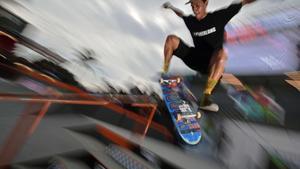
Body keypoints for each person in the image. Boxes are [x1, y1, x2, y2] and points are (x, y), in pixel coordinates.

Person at [162, 0, 256, 112]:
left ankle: (206, 98)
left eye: (198, 5)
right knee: (171, 39)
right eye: (192, 6)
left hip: (212, 64)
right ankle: (165, 72)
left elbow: (242, 2)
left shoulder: (218, 17)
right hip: (195, 58)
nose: (195, 9)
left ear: (206, 4)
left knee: (222, 54)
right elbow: (181, 14)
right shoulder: (191, 21)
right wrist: (171, 7)